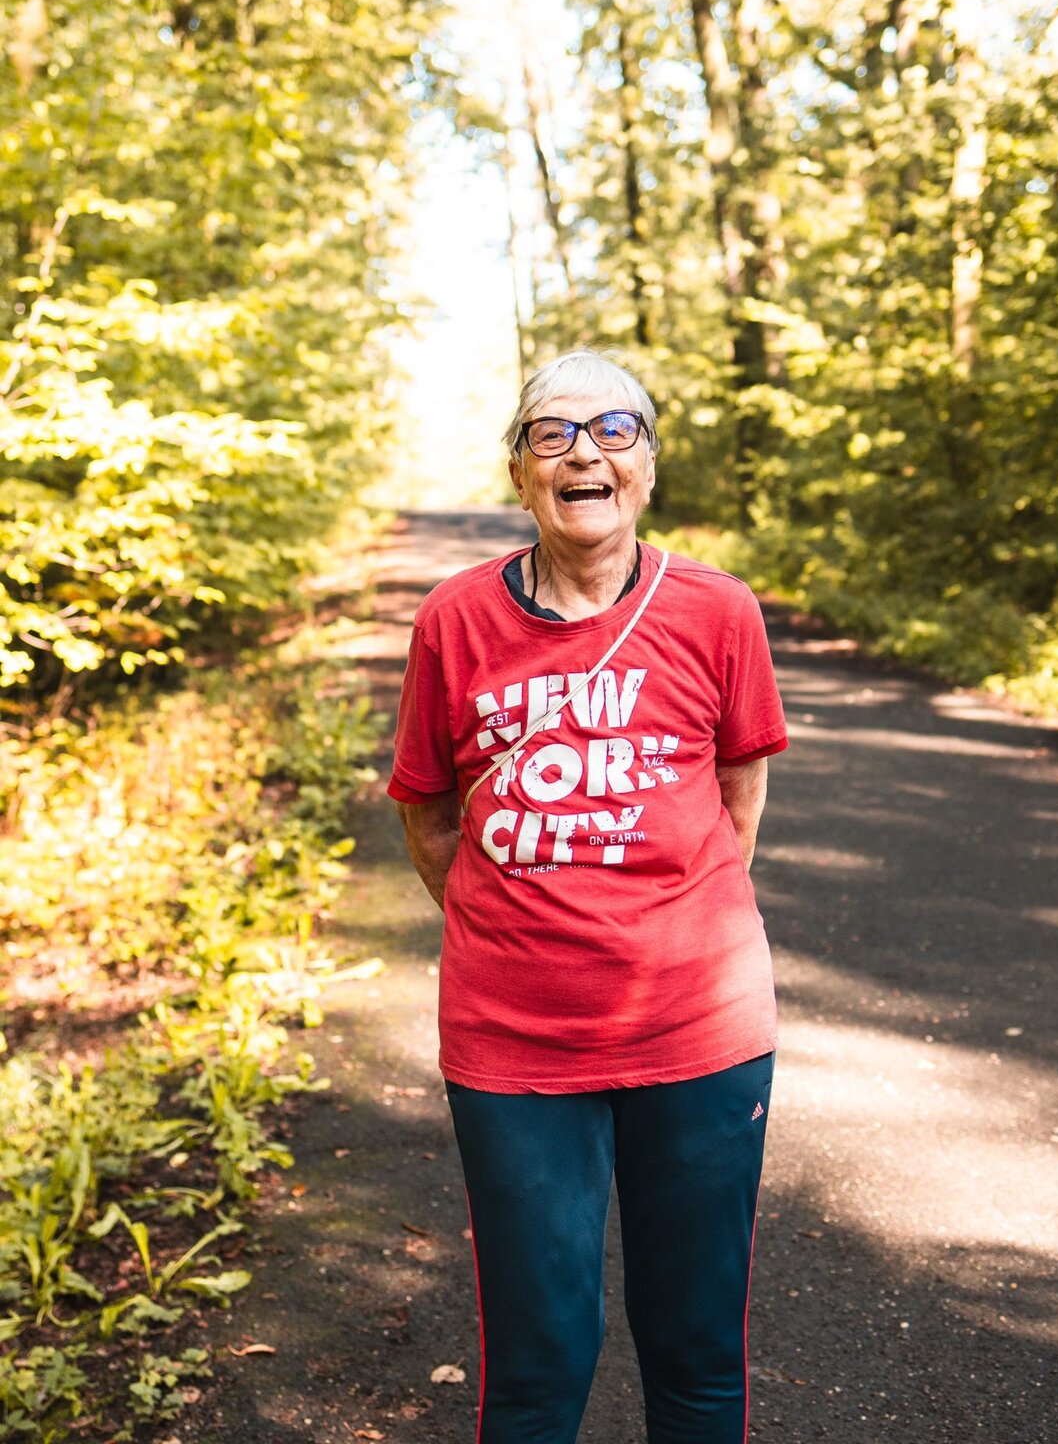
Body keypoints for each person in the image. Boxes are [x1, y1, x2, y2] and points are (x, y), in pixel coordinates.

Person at [388, 348, 788, 1444]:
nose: (584, 454)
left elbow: (737, 792)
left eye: (614, 430)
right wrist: (514, 931)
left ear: (647, 465)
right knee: (538, 1355)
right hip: (513, 1041)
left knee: (695, 1348)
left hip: (701, 1031)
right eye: (552, 433)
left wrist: (673, 925)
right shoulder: (454, 620)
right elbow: (427, 812)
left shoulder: (717, 609)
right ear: (519, 473)